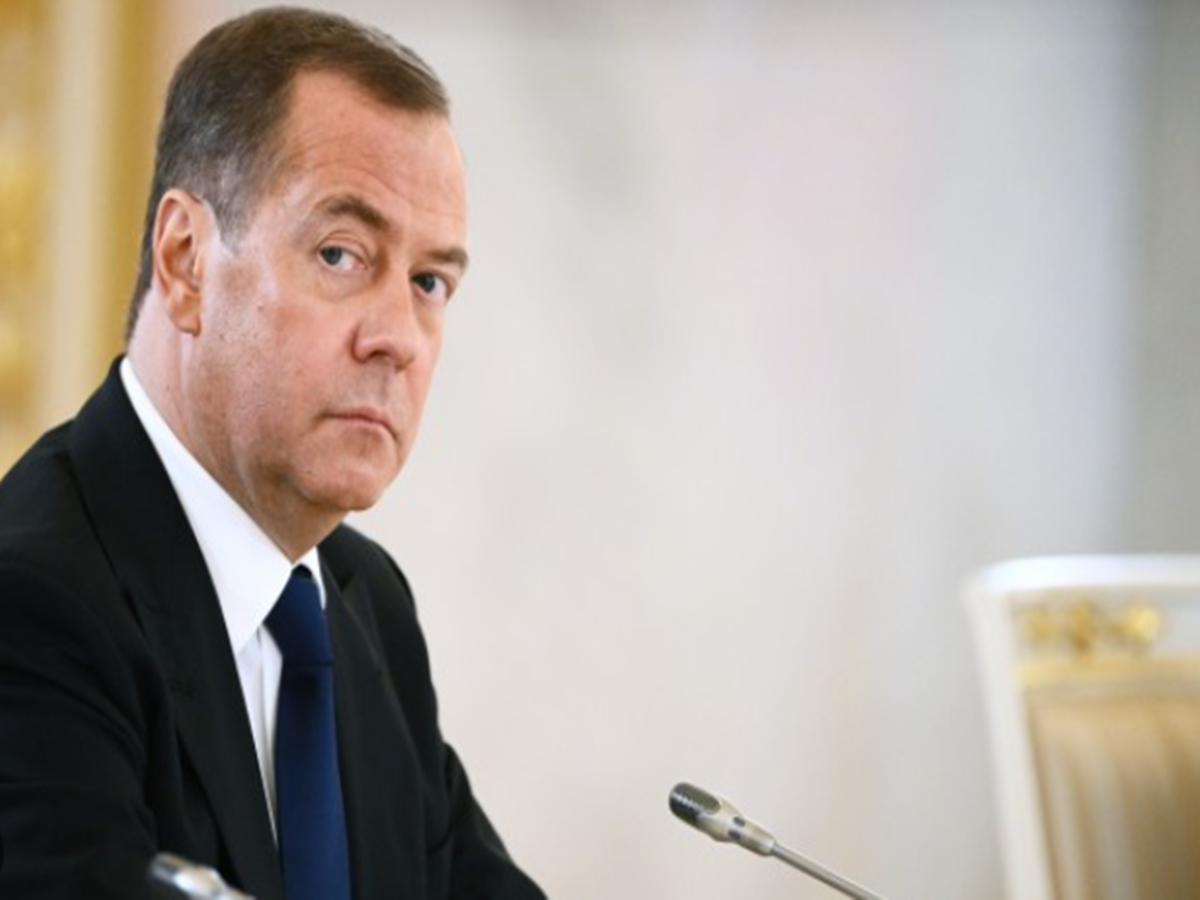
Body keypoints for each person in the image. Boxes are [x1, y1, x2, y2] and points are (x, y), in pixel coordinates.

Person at [0, 8, 546, 900]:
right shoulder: (32, 602)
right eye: (340, 255)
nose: (398, 338)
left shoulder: (364, 605)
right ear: (186, 261)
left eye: (429, 282)